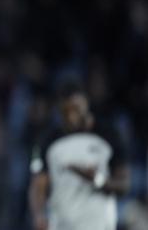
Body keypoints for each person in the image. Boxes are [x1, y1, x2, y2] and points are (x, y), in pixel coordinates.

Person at [29, 85, 130, 230]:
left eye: (75, 109)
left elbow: (124, 185)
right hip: (62, 225)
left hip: (99, 224)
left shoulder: (110, 134)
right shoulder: (45, 140)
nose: (71, 116)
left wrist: (97, 179)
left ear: (85, 104)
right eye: (66, 111)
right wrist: (38, 215)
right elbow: (37, 184)